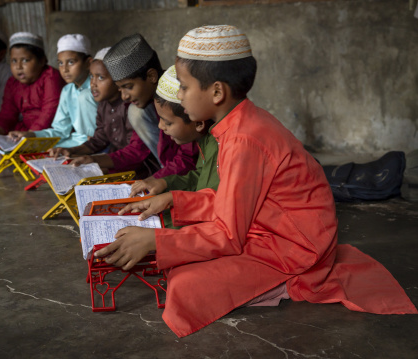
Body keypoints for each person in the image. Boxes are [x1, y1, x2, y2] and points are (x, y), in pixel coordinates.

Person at [95, 25, 418, 337]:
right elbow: (233, 202)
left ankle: (281, 283)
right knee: (178, 255)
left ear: (217, 92)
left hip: (295, 244)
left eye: (183, 86)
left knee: (185, 284)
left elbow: (228, 235)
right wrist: (173, 199)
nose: (179, 94)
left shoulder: (244, 140)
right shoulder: (239, 124)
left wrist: (156, 242)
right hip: (270, 226)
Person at [68, 33, 198, 179]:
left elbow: (188, 156)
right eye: (120, 89)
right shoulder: (146, 104)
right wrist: (94, 159)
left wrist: (157, 181)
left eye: (128, 87)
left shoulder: (178, 97)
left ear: (151, 76)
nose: (124, 96)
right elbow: (136, 149)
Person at [128, 65, 218, 199]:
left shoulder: (218, 145)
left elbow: (207, 198)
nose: (160, 126)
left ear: (198, 122)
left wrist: (171, 201)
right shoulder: (203, 140)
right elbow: (199, 176)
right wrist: (165, 182)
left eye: (167, 122)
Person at [0, 32, 65, 166]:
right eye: (14, 61)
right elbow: (7, 113)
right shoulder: (12, 83)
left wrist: (30, 135)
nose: (18, 66)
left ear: (42, 61)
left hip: (49, 131)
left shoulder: (51, 76)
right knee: (8, 136)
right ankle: (3, 152)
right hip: (27, 132)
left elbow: (49, 112)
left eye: (25, 60)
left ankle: (8, 156)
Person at [8, 34, 97, 148]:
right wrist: (32, 134)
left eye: (71, 62)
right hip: (77, 140)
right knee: (43, 149)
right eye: (60, 63)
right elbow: (60, 130)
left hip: (98, 142)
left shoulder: (98, 87)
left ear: (88, 63)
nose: (64, 69)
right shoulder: (67, 91)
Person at [49, 47, 133, 159]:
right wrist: (71, 150)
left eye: (101, 77)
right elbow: (98, 140)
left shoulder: (129, 107)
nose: (93, 83)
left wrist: (96, 160)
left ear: (119, 79)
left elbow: (133, 152)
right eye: (92, 76)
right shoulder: (103, 106)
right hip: (115, 158)